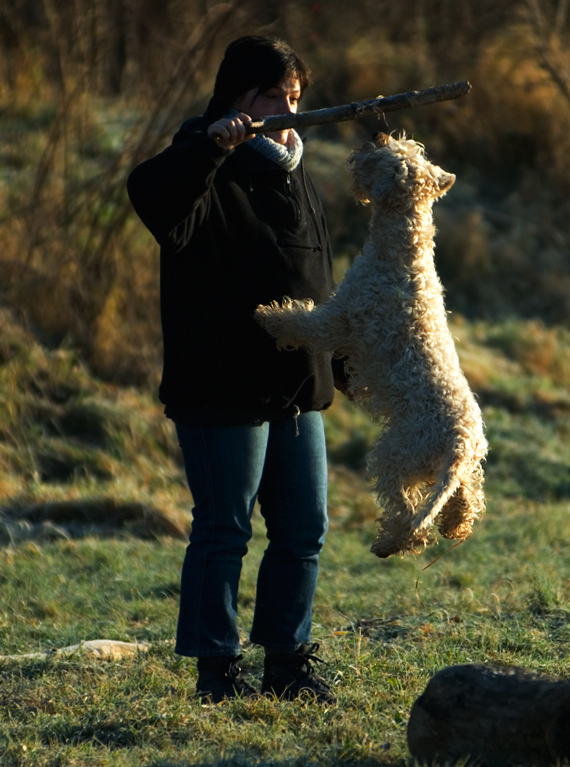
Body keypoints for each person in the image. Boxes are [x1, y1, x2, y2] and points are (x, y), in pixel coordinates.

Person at [127, 35, 344, 704]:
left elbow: (314, 274)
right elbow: (152, 198)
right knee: (225, 526)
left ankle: (287, 660)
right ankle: (216, 671)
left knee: (305, 527)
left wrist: (340, 359)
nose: (287, 108)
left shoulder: (294, 168)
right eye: (273, 95)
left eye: (296, 97)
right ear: (236, 97)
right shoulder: (199, 160)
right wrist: (211, 146)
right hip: (222, 386)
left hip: (297, 386)